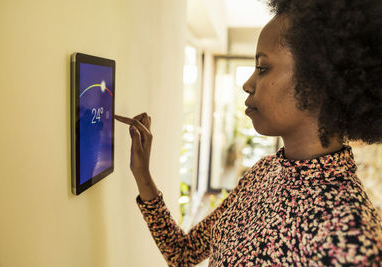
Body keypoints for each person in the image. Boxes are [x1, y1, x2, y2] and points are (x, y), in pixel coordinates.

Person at [114, 0, 382, 265]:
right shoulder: (265, 172)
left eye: (263, 68)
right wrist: (142, 175)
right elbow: (182, 253)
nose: (247, 84)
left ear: (317, 83)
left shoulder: (351, 238)